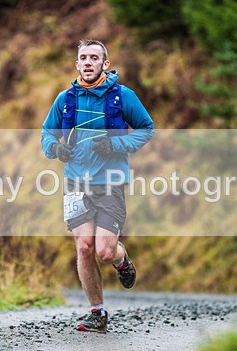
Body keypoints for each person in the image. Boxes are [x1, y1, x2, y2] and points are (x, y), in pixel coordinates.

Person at [41, 39, 154, 332]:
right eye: (84, 58)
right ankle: (97, 313)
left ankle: (121, 260)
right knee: (84, 247)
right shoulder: (65, 99)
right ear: (77, 64)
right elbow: (46, 134)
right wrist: (56, 148)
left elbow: (146, 129)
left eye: (94, 57)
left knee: (104, 251)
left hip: (110, 182)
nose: (88, 62)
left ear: (105, 64)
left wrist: (116, 144)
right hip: (75, 183)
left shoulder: (123, 96)